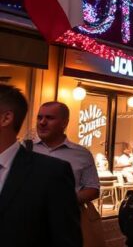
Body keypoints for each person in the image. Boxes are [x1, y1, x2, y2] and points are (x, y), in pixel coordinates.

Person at [0, 84, 80, 247]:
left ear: (6, 118)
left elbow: (66, 240)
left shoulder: (51, 173)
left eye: (49, 118)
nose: (43, 122)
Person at [32, 101, 102, 246]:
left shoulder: (82, 154)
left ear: (64, 123)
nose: (42, 122)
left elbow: (93, 189)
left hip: (65, 222)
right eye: (39, 118)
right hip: (29, 221)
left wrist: (64, 200)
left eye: (49, 118)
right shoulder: (25, 149)